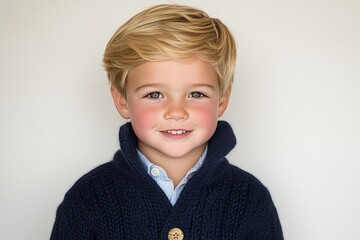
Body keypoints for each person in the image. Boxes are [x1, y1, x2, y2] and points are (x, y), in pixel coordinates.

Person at [50, 4, 283, 240]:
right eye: (154, 95)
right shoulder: (88, 199)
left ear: (221, 101)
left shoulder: (250, 199)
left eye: (196, 94)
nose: (176, 111)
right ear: (122, 101)